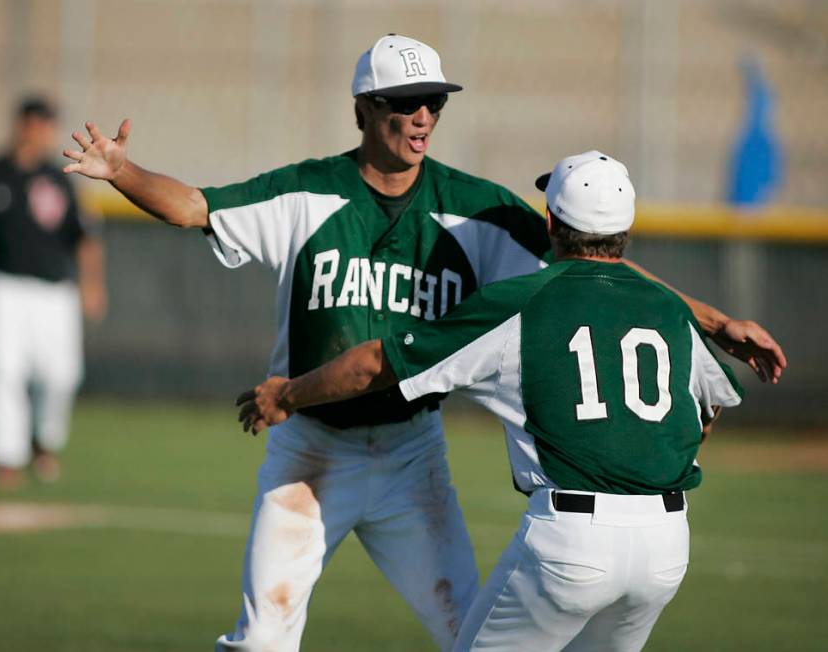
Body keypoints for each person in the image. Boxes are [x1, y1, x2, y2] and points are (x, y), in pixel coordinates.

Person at [62, 35, 783, 651]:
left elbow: (596, 263)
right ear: (364, 109)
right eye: (405, 100)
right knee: (262, 639)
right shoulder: (308, 191)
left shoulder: (477, 208)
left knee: (464, 628)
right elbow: (195, 208)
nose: (423, 114)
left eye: (434, 100)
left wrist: (716, 323)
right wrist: (121, 171)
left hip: (412, 457)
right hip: (312, 453)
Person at [238, 151, 758, 651]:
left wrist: (288, 392)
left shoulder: (522, 300)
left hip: (572, 542)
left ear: (551, 222)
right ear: (627, 228)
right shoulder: (671, 308)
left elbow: (378, 364)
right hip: (665, 544)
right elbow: (705, 411)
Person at [0, 96, 106, 490]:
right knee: (2, 370)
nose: (42, 132)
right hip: (1, 286)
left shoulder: (59, 178)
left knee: (62, 374)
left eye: (48, 125)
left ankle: (43, 440)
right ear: (22, 125)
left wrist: (92, 285)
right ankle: (6, 455)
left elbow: (85, 239)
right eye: (37, 124)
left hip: (55, 293)